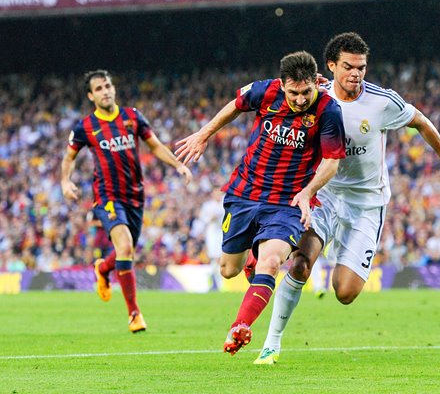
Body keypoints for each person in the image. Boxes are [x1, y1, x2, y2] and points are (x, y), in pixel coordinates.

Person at [253, 32, 440, 364]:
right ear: (330, 66)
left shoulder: (382, 101)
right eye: (348, 67)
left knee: (345, 292)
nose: (356, 73)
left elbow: (422, 123)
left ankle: (335, 257)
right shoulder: (314, 96)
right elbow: (278, 105)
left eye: (361, 67)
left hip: (366, 205)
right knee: (299, 264)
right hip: (323, 198)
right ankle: (271, 344)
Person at [175, 51, 346, 355]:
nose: (301, 99)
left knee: (272, 262)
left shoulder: (328, 110)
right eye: (294, 92)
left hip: (288, 201)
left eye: (307, 91)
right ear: (282, 85)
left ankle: (240, 327)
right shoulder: (265, 91)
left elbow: (332, 162)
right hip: (245, 193)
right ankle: (249, 260)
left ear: (315, 85)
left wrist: (307, 192)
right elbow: (235, 105)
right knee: (228, 270)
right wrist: (204, 134)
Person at [61, 70, 192, 333]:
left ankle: (104, 268)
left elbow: (154, 145)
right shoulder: (85, 127)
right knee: (125, 245)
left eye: (108, 85)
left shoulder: (132, 117)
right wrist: (66, 181)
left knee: (126, 251)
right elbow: (69, 158)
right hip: (107, 196)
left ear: (114, 88)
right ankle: (134, 314)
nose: (105, 91)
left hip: (135, 195)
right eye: (98, 88)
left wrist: (177, 165)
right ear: (91, 95)